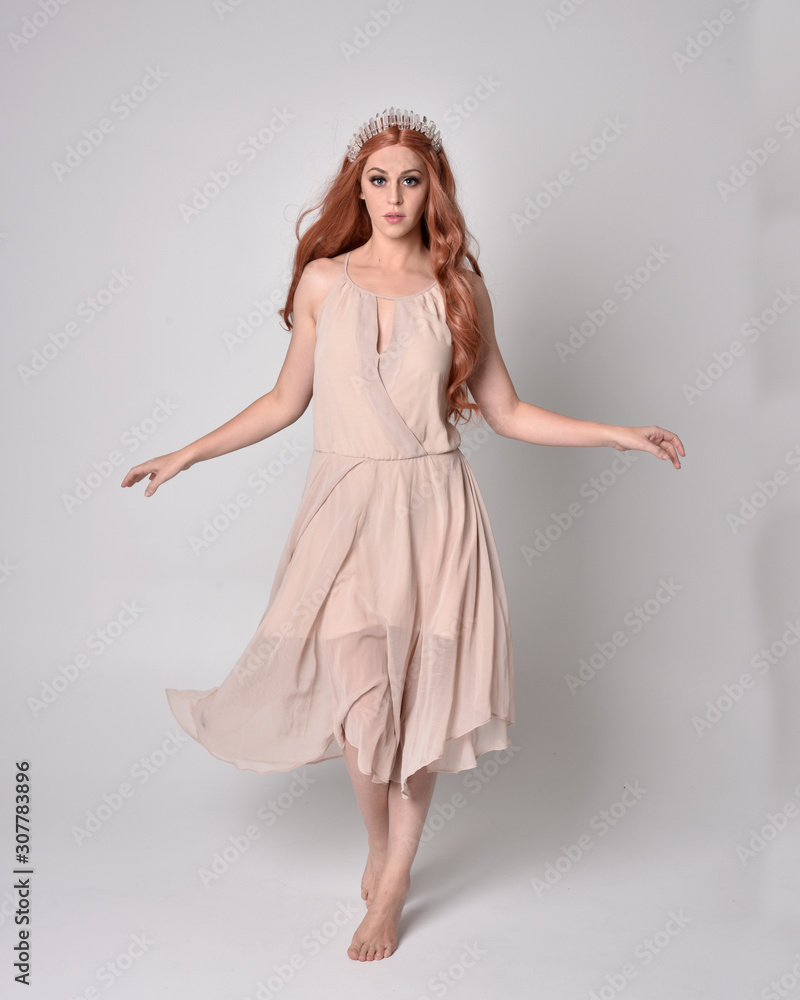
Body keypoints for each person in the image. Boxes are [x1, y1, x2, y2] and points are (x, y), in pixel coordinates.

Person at [121, 107, 685, 962]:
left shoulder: (459, 288)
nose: (392, 195)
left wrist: (619, 434)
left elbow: (507, 411)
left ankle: (393, 881)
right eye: (377, 179)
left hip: (434, 513)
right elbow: (284, 402)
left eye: (409, 180)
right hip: (343, 512)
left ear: (433, 192)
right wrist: (189, 452)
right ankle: (381, 842)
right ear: (360, 187)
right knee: (362, 704)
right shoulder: (322, 281)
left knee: (420, 703)